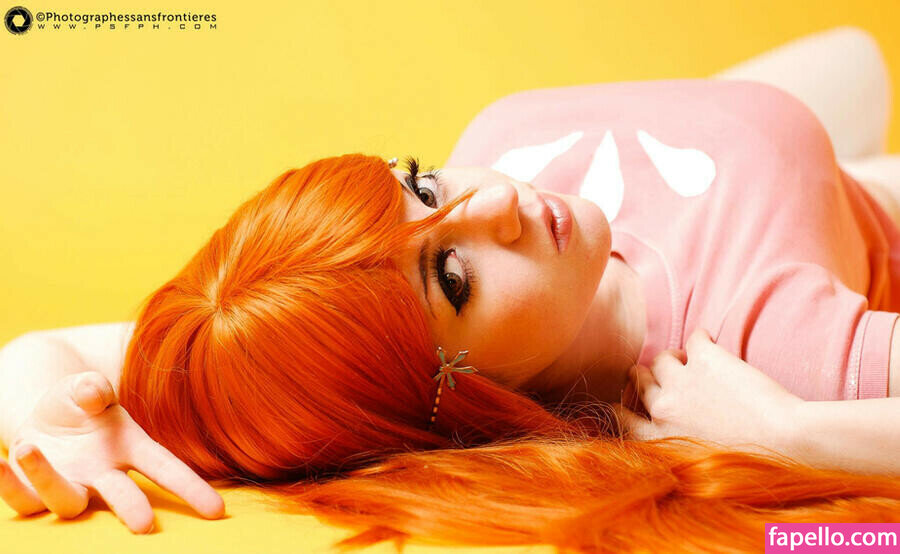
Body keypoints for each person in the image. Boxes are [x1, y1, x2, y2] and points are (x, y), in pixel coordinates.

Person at [2, 26, 900, 553]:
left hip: (751, 141)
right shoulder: (766, 346)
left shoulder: (512, 150)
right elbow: (857, 533)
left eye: (422, 186)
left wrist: (47, 413)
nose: (502, 199)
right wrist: (793, 433)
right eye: (455, 278)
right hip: (860, 211)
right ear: (463, 398)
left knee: (856, 60)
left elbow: (74, 354)